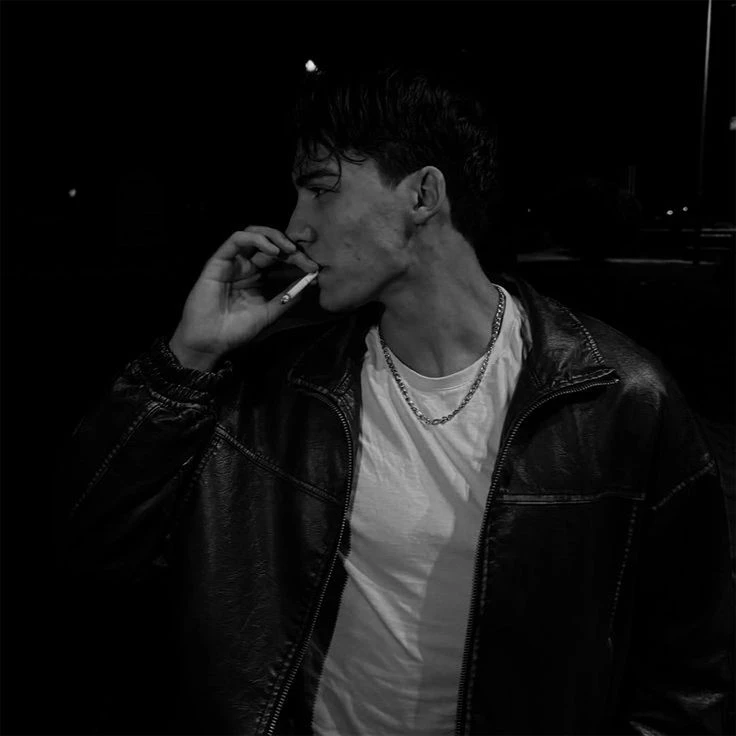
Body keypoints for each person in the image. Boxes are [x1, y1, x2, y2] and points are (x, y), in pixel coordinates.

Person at [58, 56, 734, 735]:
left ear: (422, 196)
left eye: (319, 190)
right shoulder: (275, 391)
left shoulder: (617, 398)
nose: (296, 226)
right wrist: (189, 357)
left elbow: (691, 674)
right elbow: (91, 548)